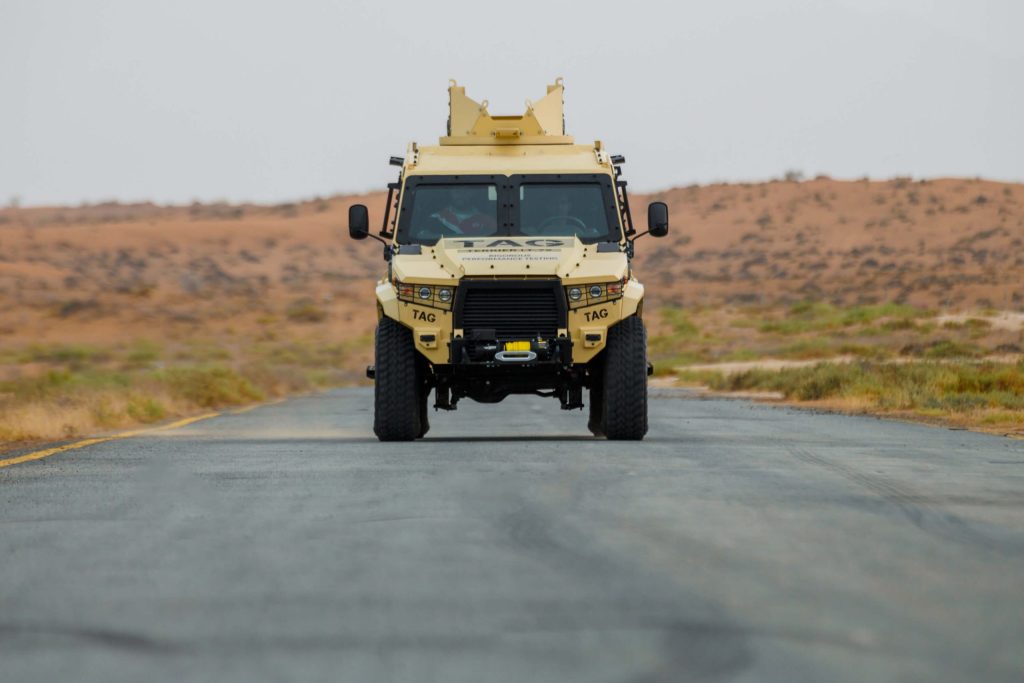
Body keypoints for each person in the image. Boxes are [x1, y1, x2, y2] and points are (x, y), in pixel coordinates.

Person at [430, 187, 496, 236]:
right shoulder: (436, 218)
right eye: (457, 191)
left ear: (473, 193)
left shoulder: (487, 221)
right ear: (450, 193)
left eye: (465, 191)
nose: (461, 195)